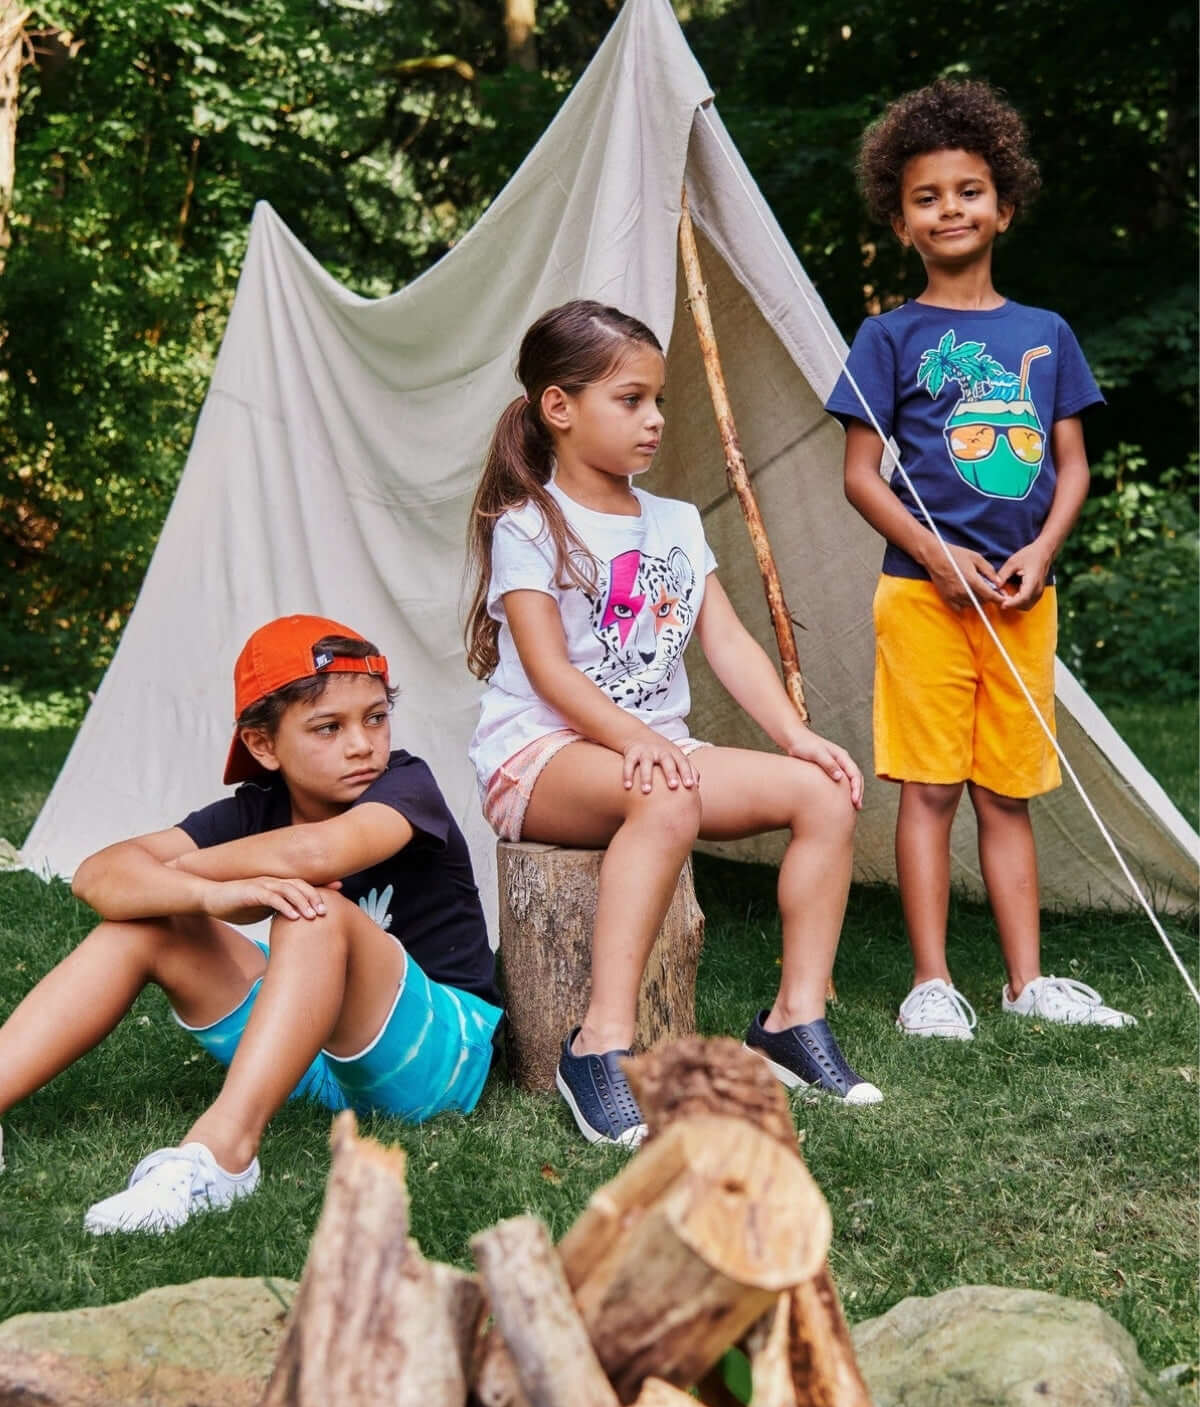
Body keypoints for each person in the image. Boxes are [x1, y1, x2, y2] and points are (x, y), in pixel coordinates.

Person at [465, 299, 880, 1147]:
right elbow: (546, 668)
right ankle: (600, 1046)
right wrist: (637, 740)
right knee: (664, 800)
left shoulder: (677, 524)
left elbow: (725, 643)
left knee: (823, 796)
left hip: (659, 753)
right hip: (543, 757)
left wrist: (798, 738)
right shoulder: (528, 524)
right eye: (631, 400)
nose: (655, 419)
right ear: (559, 407)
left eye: (659, 400)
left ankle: (793, 1024)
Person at [0, 615, 502, 1231]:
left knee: (310, 909)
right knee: (144, 926)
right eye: (328, 727)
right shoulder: (253, 810)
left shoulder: (405, 786)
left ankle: (222, 1157)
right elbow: (95, 876)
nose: (361, 744)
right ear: (264, 745)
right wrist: (206, 897)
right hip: (309, 1062)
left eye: (375, 716)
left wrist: (176, 876)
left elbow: (319, 854)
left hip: (438, 1058)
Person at [825, 78, 1135, 1039]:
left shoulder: (1046, 334)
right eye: (927, 197)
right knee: (930, 789)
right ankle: (931, 984)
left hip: (1019, 601)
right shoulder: (890, 336)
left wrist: (1040, 551)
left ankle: (1024, 982)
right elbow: (861, 475)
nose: (949, 208)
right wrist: (934, 552)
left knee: (1007, 791)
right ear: (900, 221)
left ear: (1005, 205)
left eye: (968, 190)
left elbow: (1073, 466)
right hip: (921, 599)